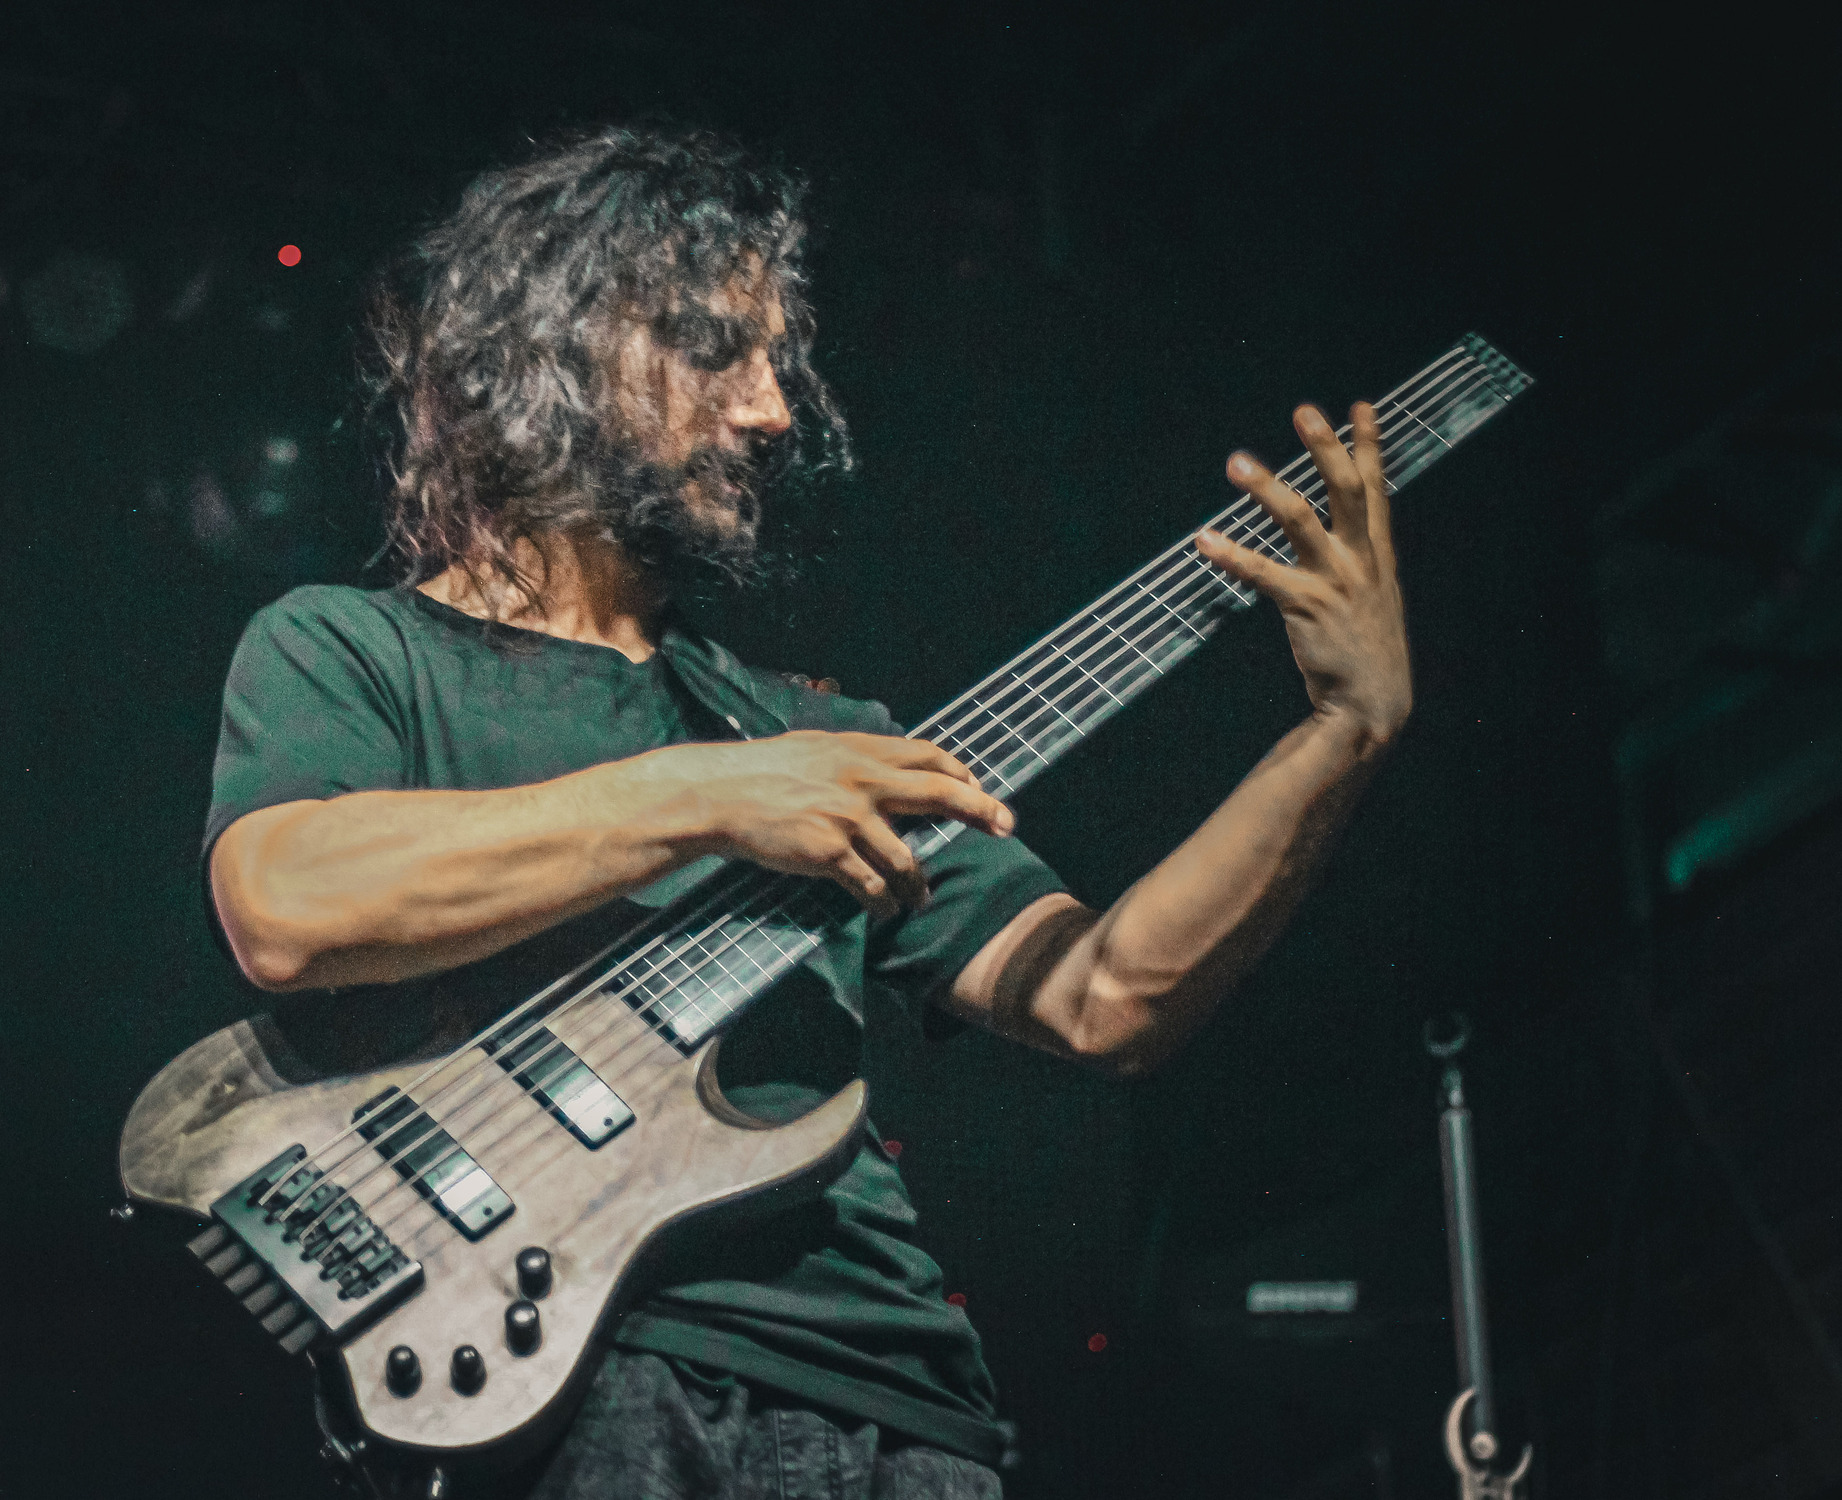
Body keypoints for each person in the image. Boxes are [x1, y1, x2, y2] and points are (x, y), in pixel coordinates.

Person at [201, 126, 1412, 1499]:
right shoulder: (352, 647)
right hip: (591, 1381)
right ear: (562, 342)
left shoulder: (818, 741)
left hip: (904, 1407)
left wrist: (1340, 735)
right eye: (719, 350)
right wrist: (710, 796)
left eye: (778, 363)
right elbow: (288, 906)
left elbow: (1108, 996)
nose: (773, 411)